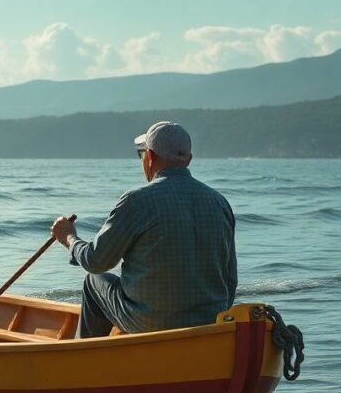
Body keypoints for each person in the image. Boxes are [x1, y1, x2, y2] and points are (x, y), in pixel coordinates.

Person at [50, 121, 237, 339]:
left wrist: (69, 238)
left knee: (94, 281)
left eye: (141, 155)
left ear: (149, 156)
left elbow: (96, 261)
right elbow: (229, 279)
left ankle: (86, 358)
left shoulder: (137, 200)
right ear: (189, 159)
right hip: (210, 321)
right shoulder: (219, 202)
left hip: (150, 322)